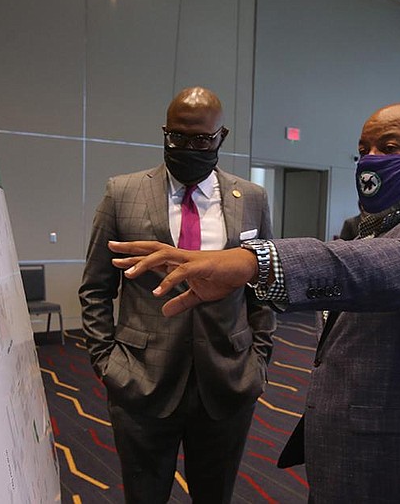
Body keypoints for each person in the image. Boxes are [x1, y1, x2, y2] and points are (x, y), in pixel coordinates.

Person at [109, 102, 400, 502]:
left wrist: (256, 260)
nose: (371, 160)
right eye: (363, 149)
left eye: (389, 147)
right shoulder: (362, 231)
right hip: (346, 462)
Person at [78, 87, 276, 503]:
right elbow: (96, 287)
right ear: (165, 133)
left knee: (214, 494)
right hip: (141, 379)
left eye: (202, 139)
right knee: (144, 493)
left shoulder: (252, 199)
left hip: (228, 379)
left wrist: (258, 360)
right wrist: (106, 362)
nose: (189, 147)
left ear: (221, 137)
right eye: (178, 137)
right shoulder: (122, 192)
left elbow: (263, 285)